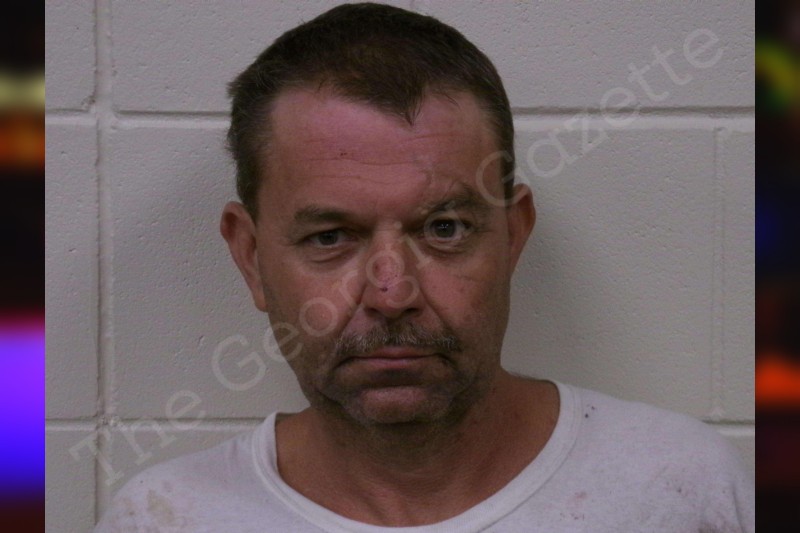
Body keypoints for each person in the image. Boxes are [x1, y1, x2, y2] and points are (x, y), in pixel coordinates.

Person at [95, 3, 754, 531]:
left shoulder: (682, 491)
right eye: (330, 237)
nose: (392, 293)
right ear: (250, 256)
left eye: (444, 229)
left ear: (512, 236)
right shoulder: (167, 517)